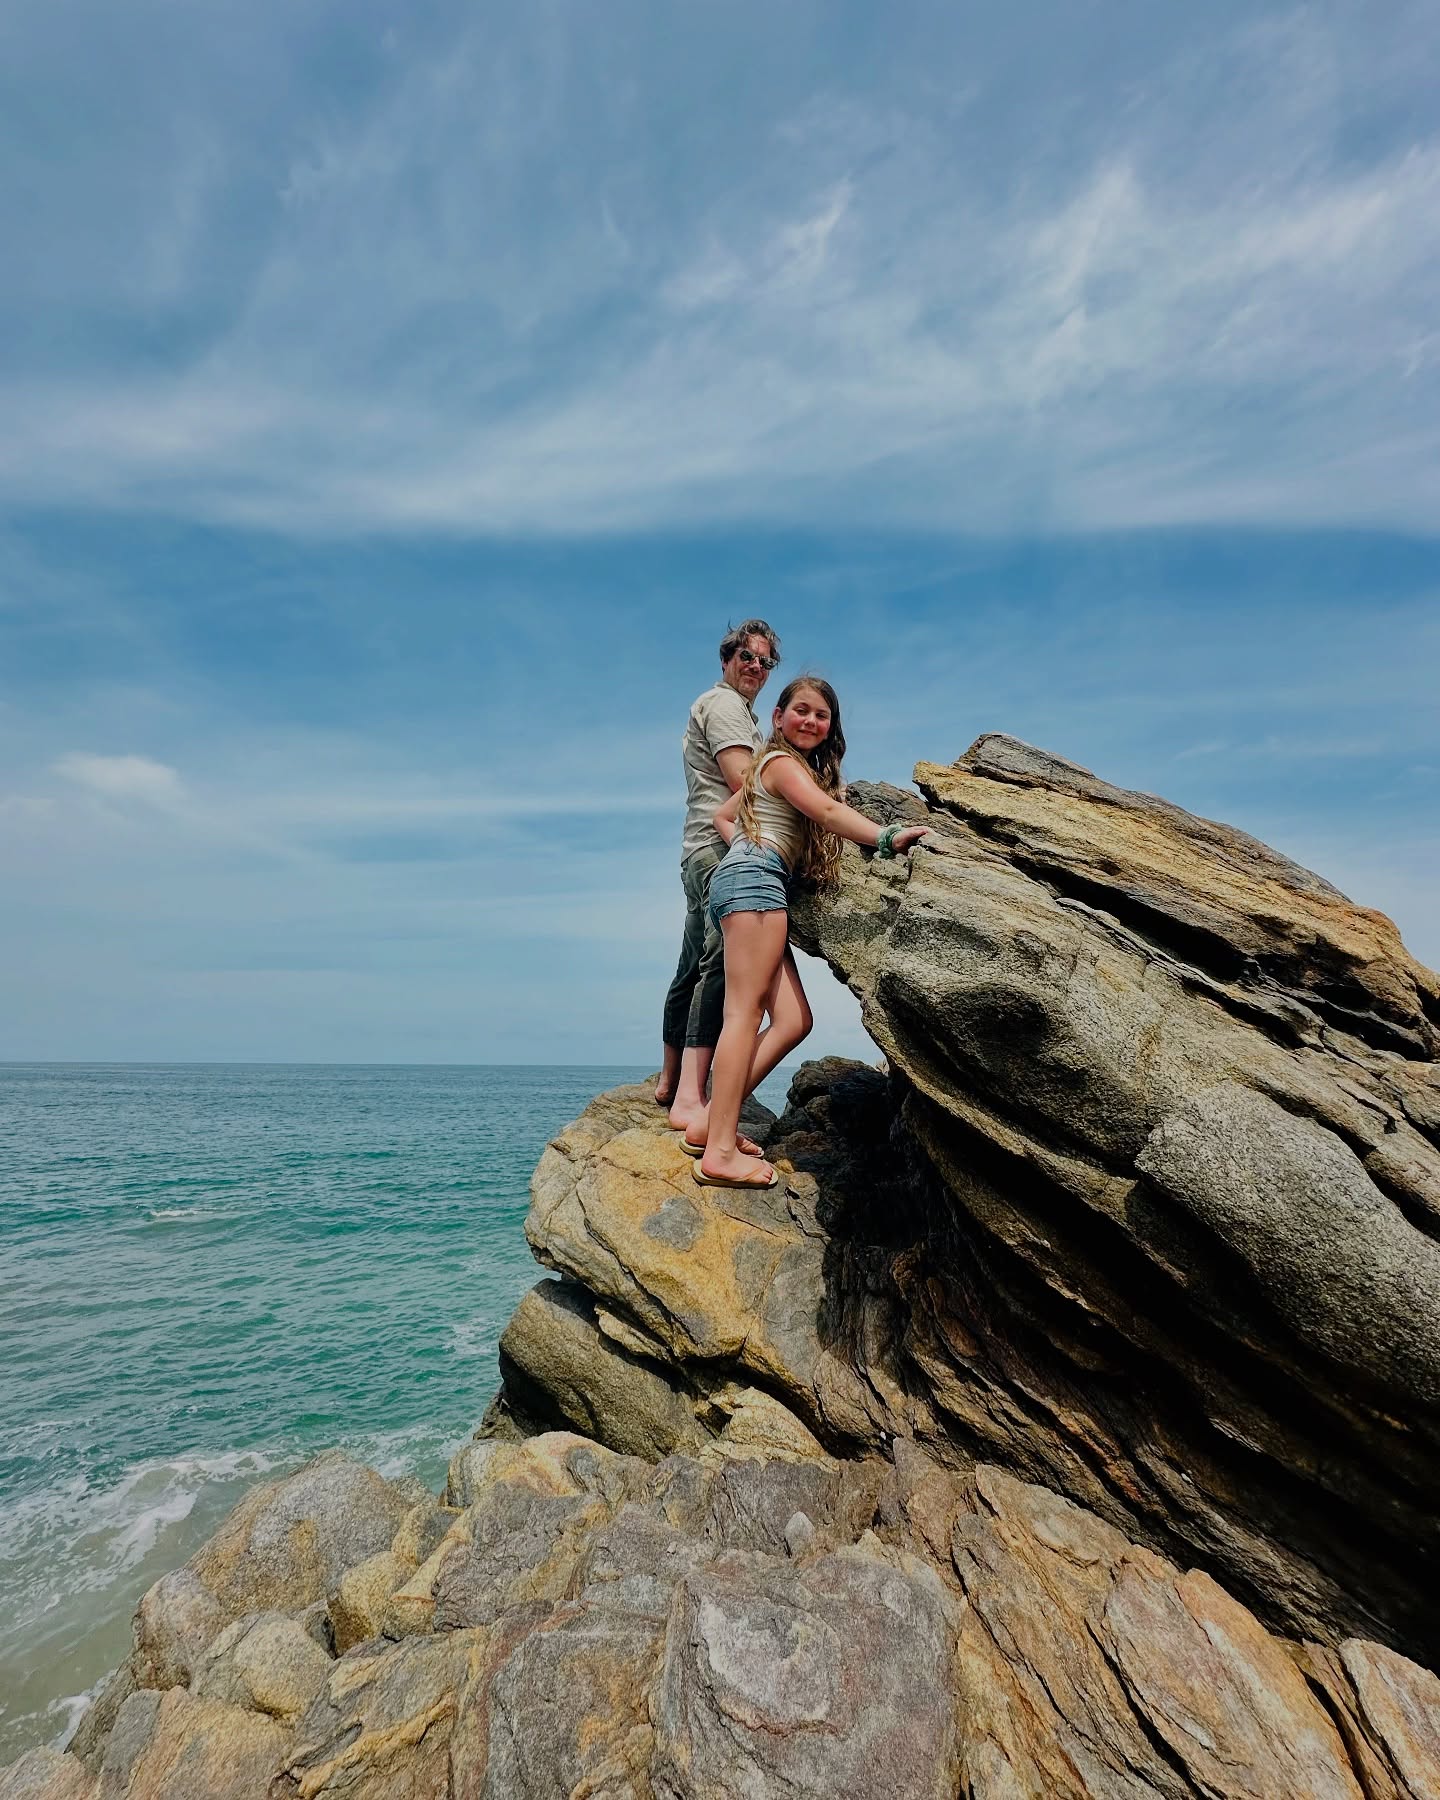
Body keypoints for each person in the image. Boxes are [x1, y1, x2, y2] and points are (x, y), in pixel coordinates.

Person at [688, 675, 931, 1188]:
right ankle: (721, 1152)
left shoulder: (765, 770)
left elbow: (723, 815)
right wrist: (888, 837)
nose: (810, 720)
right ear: (777, 718)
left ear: (829, 728)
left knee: (794, 1018)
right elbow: (824, 810)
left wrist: (750, 844)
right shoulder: (779, 763)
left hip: (750, 880)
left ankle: (711, 1124)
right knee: (744, 1014)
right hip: (754, 883)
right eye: (801, 710)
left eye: (821, 715)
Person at [657, 620, 782, 1149]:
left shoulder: (734, 711)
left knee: (690, 966)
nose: (756, 668)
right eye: (748, 657)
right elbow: (744, 782)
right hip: (719, 849)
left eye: (765, 662)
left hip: (698, 848)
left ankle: (670, 1081)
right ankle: (690, 1095)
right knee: (717, 964)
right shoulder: (725, 706)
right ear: (728, 658)